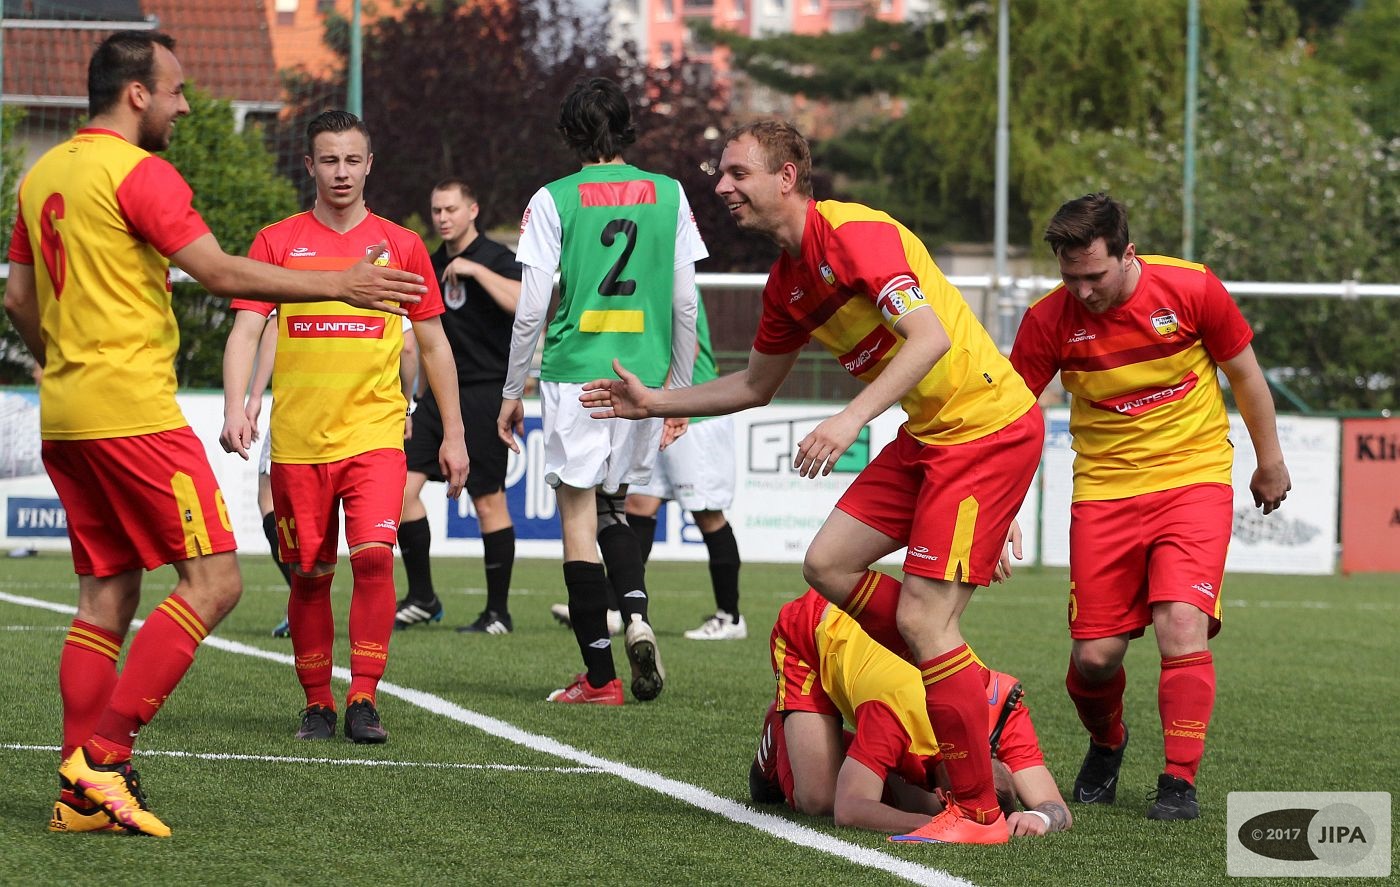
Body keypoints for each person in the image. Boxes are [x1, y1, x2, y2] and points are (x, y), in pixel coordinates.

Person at [3, 31, 425, 838]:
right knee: (215, 582)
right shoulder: (139, 173)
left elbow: (19, 299)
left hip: (66, 412)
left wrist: (65, 365)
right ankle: (104, 758)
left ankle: (77, 795)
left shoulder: (43, 173)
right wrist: (340, 281)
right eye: (175, 91)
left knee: (106, 594)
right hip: (133, 414)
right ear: (136, 94)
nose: (185, 106)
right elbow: (221, 271)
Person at [581, 120, 1042, 842]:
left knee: (924, 622)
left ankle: (979, 813)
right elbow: (755, 385)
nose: (721, 186)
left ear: (787, 177)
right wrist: (656, 402)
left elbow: (931, 338)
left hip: (985, 430)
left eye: (737, 173)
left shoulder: (856, 235)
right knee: (828, 564)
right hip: (932, 435)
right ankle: (954, 671)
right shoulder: (787, 283)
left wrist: (850, 419)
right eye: (721, 174)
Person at [1008, 192, 1290, 821]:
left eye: (1095, 275)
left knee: (1181, 622)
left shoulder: (1191, 289)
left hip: (1194, 479)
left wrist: (1269, 460)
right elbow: (1014, 417)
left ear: (1127, 253)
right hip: (1104, 491)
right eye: (1070, 277)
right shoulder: (1047, 320)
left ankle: (1178, 780)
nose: (1082, 290)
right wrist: (1002, 506)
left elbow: (1245, 374)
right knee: (1095, 658)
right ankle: (1108, 742)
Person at [220, 110, 468, 746]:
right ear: (310, 165)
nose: (341, 172)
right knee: (309, 573)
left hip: (375, 435)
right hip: (298, 442)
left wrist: (454, 434)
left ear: (369, 165)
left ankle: (363, 697)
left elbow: (434, 345)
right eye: (329, 160)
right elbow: (246, 329)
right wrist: (235, 406)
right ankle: (316, 704)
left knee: (375, 558)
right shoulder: (276, 242)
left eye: (352, 160)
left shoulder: (401, 245)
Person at [500, 76, 703, 705]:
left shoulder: (553, 198)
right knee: (616, 504)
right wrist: (678, 391)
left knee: (578, 515)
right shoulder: (671, 193)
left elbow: (531, 308)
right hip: (643, 376)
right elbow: (686, 305)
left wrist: (512, 388)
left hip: (575, 374)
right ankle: (635, 615)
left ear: (570, 133)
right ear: (627, 127)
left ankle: (599, 677)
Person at [749, 589, 1071, 837]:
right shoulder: (898, 711)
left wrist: (1040, 817)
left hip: (878, 645)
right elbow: (849, 809)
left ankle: (848, 755)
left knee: (898, 791)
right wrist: (936, 824)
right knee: (819, 800)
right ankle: (779, 726)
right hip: (812, 629)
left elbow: (1057, 808)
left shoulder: (1003, 710)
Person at [548, 294, 745, 641]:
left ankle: (730, 617)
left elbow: (688, 347)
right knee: (637, 505)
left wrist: (668, 402)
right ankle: (614, 609)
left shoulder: (665, 277)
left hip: (691, 413)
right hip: (654, 410)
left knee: (707, 514)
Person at [395, 178, 523, 635]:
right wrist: (413, 401)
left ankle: (498, 613)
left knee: (488, 502)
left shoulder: (497, 258)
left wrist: (476, 271)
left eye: (451, 209)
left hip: (486, 394)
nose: (442, 218)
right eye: (436, 210)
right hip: (437, 397)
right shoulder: (429, 265)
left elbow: (526, 305)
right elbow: (420, 340)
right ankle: (423, 597)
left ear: (473, 210)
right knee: (398, 492)